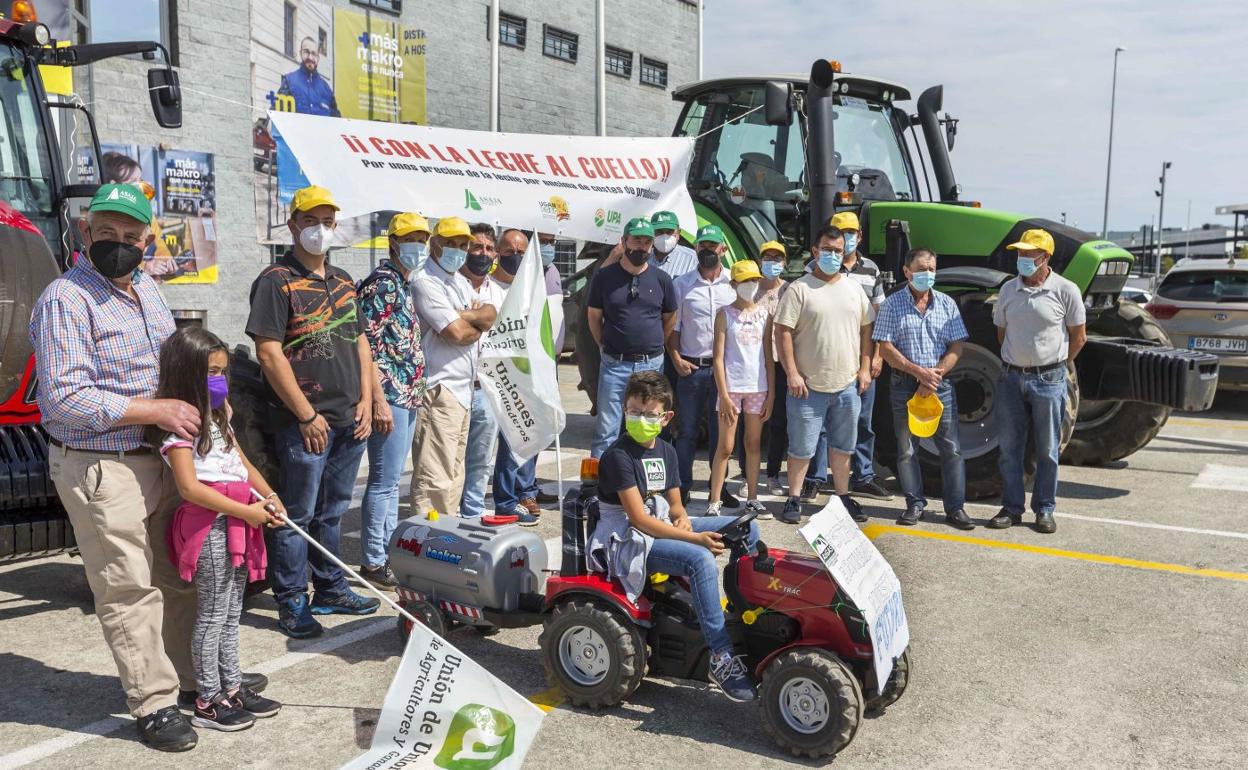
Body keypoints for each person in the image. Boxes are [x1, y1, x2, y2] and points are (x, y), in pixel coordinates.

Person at [29, 183, 243, 751]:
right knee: (128, 587)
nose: (119, 244)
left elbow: (170, 365)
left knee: (178, 575)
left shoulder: (147, 288)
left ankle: (200, 684)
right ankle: (153, 703)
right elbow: (64, 399)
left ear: (147, 241)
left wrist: (205, 401)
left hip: (161, 455)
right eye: (107, 233)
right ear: (85, 231)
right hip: (102, 464)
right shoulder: (64, 300)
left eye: (131, 236)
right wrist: (157, 408)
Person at [246, 184, 380, 639]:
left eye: (327, 221)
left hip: (349, 420)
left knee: (333, 511)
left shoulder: (343, 280)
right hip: (305, 425)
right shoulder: (276, 281)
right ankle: (291, 600)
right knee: (295, 514)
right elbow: (268, 352)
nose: (319, 230)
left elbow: (360, 342)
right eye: (310, 221)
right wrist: (305, 414)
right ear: (293, 225)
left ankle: (330, 587)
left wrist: (366, 399)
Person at [587, 371, 759, 702]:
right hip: (626, 538)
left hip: (658, 523)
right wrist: (694, 539)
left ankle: (744, 616)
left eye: (649, 415)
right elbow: (638, 520)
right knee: (700, 559)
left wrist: (683, 524)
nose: (640, 420)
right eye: (634, 412)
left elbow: (677, 508)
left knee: (748, 526)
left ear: (666, 418)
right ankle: (721, 658)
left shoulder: (666, 452)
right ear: (625, 408)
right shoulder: (618, 456)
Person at [152, 327, 285, 732]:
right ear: (186, 373)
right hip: (210, 526)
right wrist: (245, 513)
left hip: (239, 520)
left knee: (231, 612)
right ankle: (208, 699)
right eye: (211, 372)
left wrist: (269, 495)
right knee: (211, 614)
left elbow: (240, 462)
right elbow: (190, 488)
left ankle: (232, 687)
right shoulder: (180, 428)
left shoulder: (221, 415)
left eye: (223, 372)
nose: (220, 381)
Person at [774, 225, 873, 525]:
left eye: (838, 251)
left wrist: (865, 368)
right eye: (827, 250)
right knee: (801, 448)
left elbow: (867, 328)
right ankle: (794, 498)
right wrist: (792, 372)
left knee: (843, 447)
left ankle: (842, 497)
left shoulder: (854, 288)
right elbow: (783, 331)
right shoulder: (799, 289)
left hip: (846, 385)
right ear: (815, 252)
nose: (833, 255)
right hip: (807, 386)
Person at [990, 229, 1087, 534]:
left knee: (1047, 449)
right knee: (1009, 448)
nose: (1022, 259)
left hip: (1049, 379)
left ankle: (1044, 509)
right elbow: (1001, 333)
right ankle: (1011, 508)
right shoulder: (1008, 290)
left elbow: (1079, 337)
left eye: (1028, 254)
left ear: (1045, 258)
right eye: (1020, 254)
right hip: (1011, 377)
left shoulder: (1066, 290)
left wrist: (1056, 365)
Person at [872, 248, 975, 530]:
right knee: (906, 450)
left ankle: (956, 508)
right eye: (921, 269)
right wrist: (918, 372)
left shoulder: (946, 304)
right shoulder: (892, 305)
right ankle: (914, 504)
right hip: (903, 385)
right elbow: (885, 346)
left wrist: (936, 374)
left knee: (951, 448)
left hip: (939, 385)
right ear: (906, 272)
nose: (927, 274)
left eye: (931, 269)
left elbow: (956, 345)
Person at [356, 212, 430, 589]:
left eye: (423, 238)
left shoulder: (403, 283)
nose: (419, 245)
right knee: (384, 482)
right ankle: (373, 559)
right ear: (394, 243)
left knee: (392, 481)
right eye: (411, 238)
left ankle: (386, 551)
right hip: (391, 397)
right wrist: (379, 399)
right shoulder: (383, 285)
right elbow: (364, 342)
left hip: (407, 396)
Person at [409, 217, 497, 516]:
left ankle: (446, 535)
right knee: (435, 477)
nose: (458, 251)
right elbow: (458, 334)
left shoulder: (457, 280)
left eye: (463, 245)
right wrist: (469, 322)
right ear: (435, 245)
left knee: (454, 473)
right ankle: (427, 538)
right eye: (451, 244)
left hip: (462, 390)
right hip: (440, 389)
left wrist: (462, 316)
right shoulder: (425, 281)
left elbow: (489, 314)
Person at [587, 217, 678, 458]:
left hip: (651, 364)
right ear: (624, 241)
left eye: (647, 242)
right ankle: (597, 488)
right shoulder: (604, 278)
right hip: (614, 364)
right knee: (607, 429)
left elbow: (670, 318)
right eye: (637, 240)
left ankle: (642, 482)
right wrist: (603, 344)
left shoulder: (662, 280)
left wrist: (655, 343)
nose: (642, 247)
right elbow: (594, 317)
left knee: (647, 427)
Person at [490, 228, 562, 522]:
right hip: (499, 376)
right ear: (498, 253)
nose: (516, 257)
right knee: (497, 445)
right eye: (509, 252)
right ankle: (500, 499)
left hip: (531, 372)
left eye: (521, 252)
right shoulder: (491, 286)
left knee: (526, 436)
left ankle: (521, 495)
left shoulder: (536, 284)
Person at [669, 225, 739, 507]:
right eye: (703, 246)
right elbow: (673, 328)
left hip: (724, 373)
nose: (708, 250)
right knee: (685, 431)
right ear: (696, 249)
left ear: (723, 249)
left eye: (713, 246)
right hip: (692, 370)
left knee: (721, 432)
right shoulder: (682, 284)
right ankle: (683, 486)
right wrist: (675, 359)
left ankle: (718, 487)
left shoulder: (733, 284)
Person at [831, 211, 892, 501]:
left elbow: (880, 316)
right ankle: (817, 477)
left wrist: (877, 356)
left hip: (862, 358)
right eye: (839, 233)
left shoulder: (871, 270)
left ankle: (864, 474)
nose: (846, 238)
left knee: (863, 421)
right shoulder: (818, 267)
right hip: (829, 358)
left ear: (860, 236)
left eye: (850, 233)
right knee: (824, 422)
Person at [708, 260, 774, 519]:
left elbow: (768, 357)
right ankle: (714, 500)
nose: (751, 286)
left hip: (758, 388)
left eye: (754, 281)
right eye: (745, 281)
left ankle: (753, 498)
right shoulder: (724, 314)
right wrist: (723, 395)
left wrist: (772, 394)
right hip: (732, 388)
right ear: (734, 284)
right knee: (725, 446)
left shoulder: (764, 315)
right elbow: (718, 358)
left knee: (754, 444)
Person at [457, 223, 509, 520]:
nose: (484, 253)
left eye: (489, 248)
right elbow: (452, 327)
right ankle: (448, 516)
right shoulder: (451, 284)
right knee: (450, 461)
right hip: (454, 387)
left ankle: (472, 512)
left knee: (480, 460)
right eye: (477, 247)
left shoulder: (500, 294)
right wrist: (479, 318)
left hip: (486, 388)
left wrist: (471, 319)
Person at [755, 241, 791, 496]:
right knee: (751, 423)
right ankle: (749, 475)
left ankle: (773, 475)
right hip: (753, 364)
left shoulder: (791, 290)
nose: (772, 263)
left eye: (777, 259)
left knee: (778, 422)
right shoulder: (750, 288)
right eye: (767, 258)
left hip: (779, 364)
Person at [278, 36, 340, 116]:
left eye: (314, 54)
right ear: (300, 53)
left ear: (318, 58)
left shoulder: (326, 90)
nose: (310, 57)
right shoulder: (289, 82)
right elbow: (276, 115)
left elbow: (337, 121)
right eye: (306, 52)